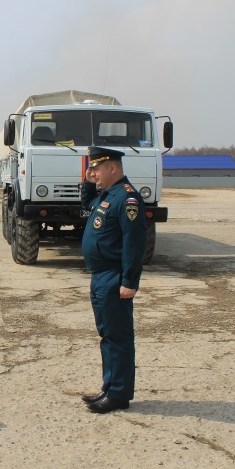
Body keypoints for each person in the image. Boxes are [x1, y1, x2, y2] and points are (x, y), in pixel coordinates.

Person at [80, 147, 146, 413]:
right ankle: (109, 387)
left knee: (118, 337)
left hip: (113, 276)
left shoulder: (127, 198)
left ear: (113, 168)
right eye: (91, 168)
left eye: (97, 168)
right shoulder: (108, 195)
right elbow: (87, 205)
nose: (93, 172)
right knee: (106, 335)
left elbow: (134, 243)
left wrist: (129, 281)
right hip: (100, 276)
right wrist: (87, 182)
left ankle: (119, 394)